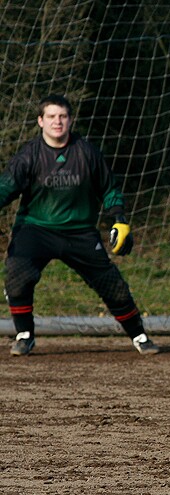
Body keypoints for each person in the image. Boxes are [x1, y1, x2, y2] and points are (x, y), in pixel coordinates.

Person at [0, 94, 159, 356]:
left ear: (70, 120)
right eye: (51, 116)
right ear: (40, 121)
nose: (57, 122)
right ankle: (24, 335)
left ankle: (139, 336)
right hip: (36, 229)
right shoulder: (28, 155)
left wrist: (119, 218)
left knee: (114, 287)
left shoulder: (87, 152)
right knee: (17, 277)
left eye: (62, 116)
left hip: (80, 232)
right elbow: (6, 187)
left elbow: (109, 188)